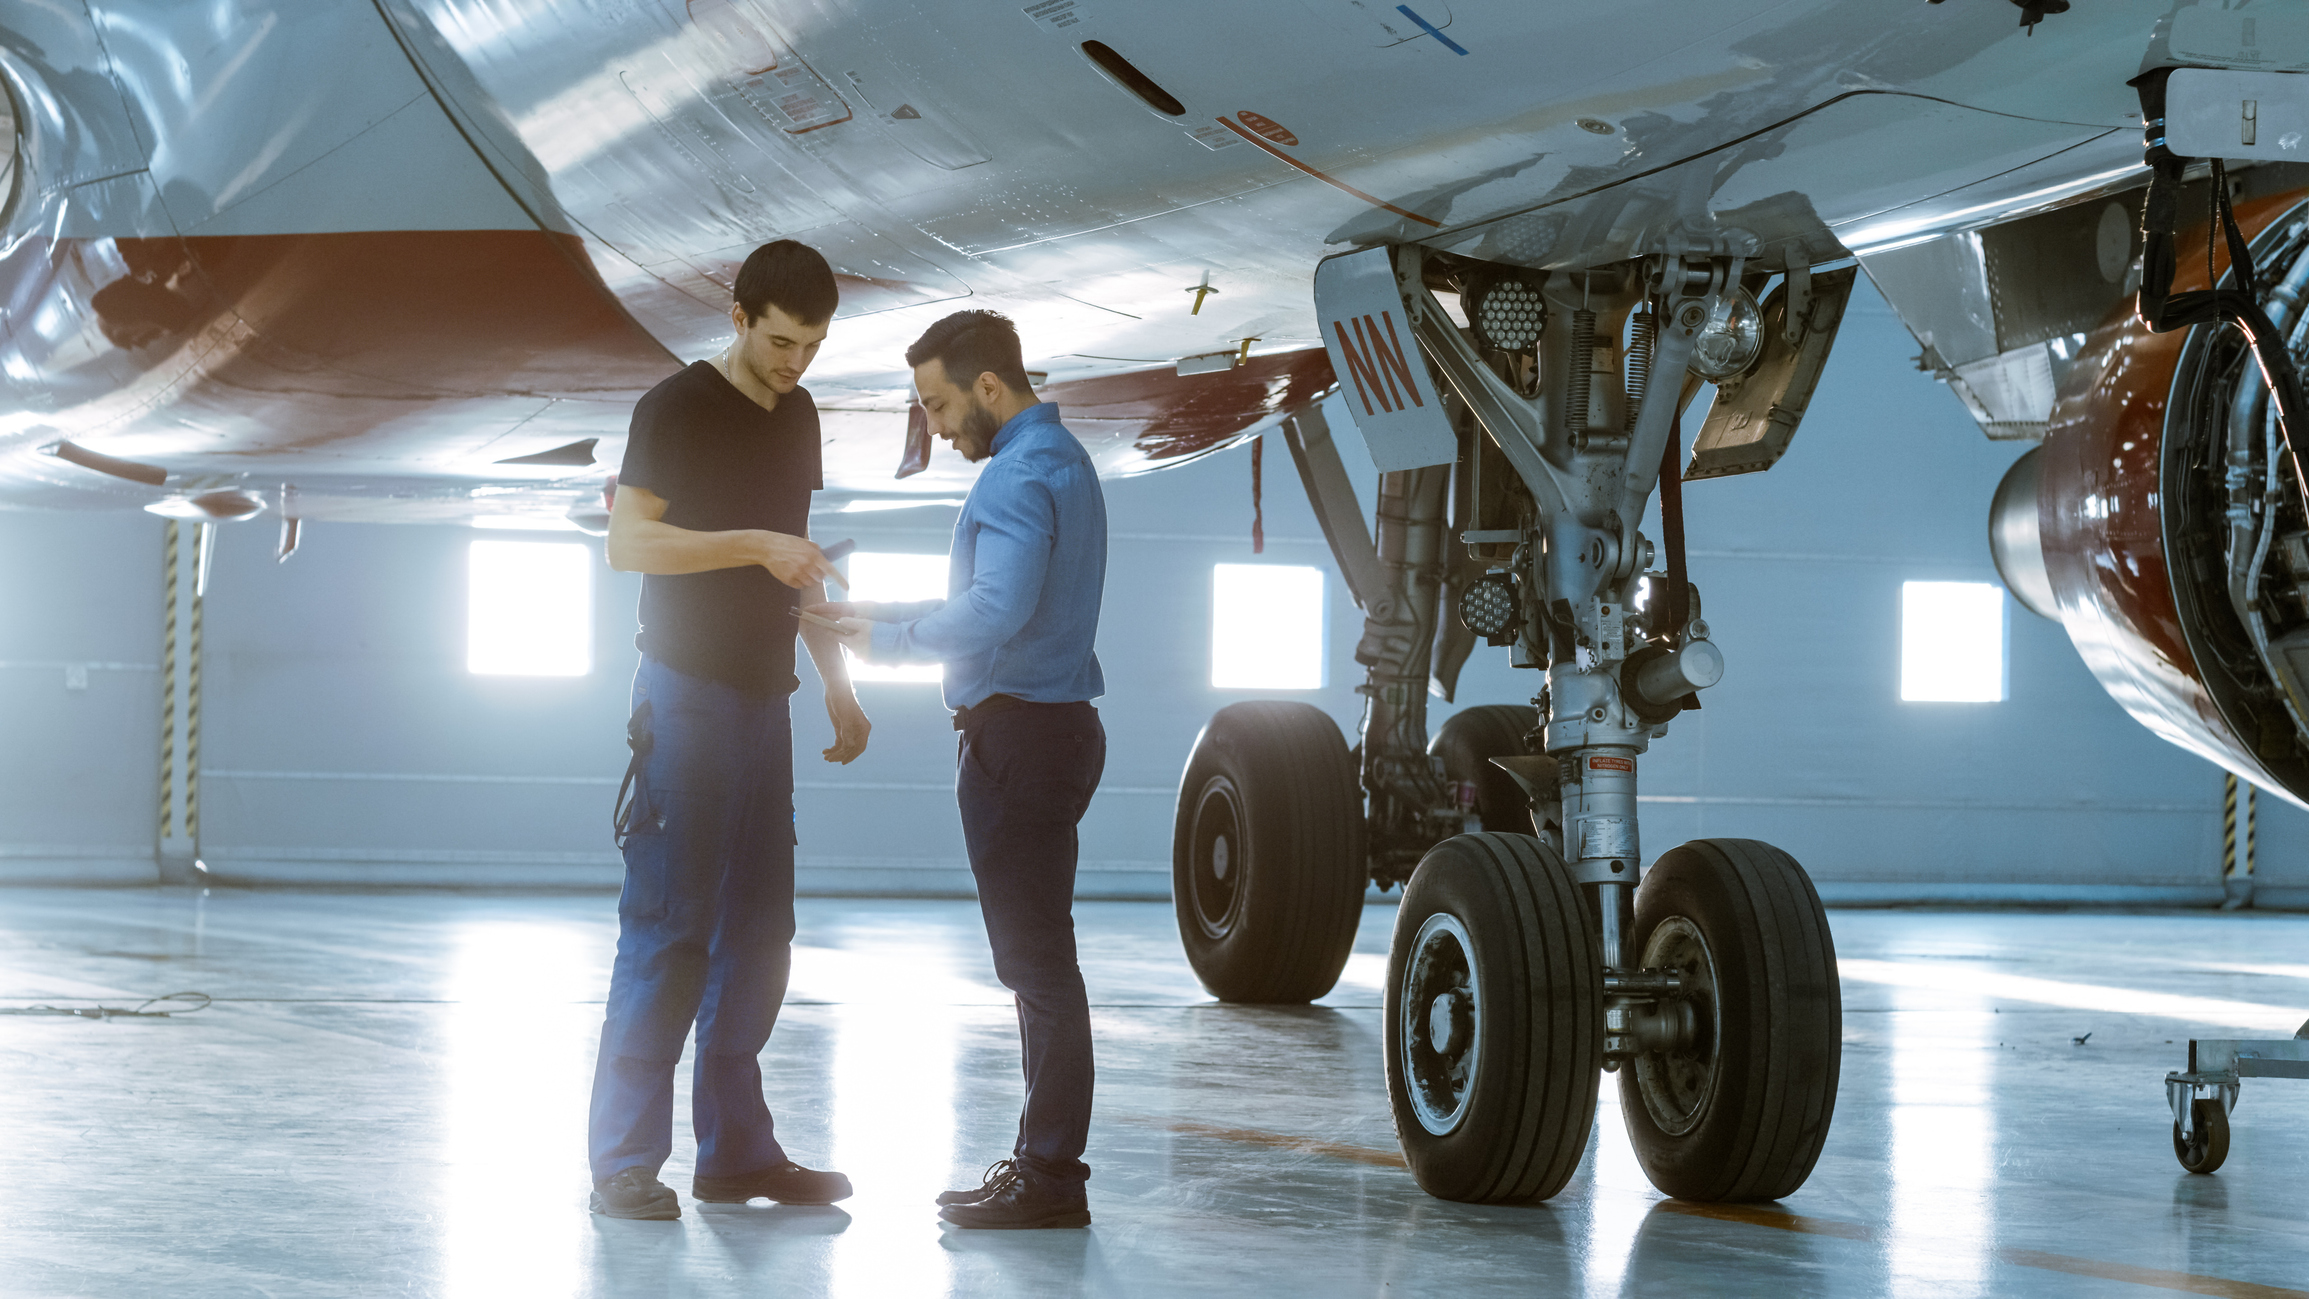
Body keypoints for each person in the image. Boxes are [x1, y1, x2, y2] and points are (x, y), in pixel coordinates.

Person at [586, 240, 870, 1221]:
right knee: (671, 929)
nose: (796, 363)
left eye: (814, 346)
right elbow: (629, 542)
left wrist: (835, 681)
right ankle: (623, 1161)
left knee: (761, 934)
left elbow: (800, 566)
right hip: (685, 695)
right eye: (782, 341)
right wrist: (750, 543)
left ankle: (736, 1153)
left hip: (765, 701)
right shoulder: (673, 409)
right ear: (739, 317)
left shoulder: (797, 416)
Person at [809, 310, 1108, 1230]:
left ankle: (1050, 1175)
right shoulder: (1062, 462)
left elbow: (997, 609)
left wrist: (892, 639)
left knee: (1037, 968)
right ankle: (1041, 1162)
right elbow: (998, 598)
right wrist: (876, 613)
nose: (934, 428)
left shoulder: (1018, 475)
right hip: (1049, 729)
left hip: (1017, 738)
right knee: (1036, 963)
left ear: (987, 387)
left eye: (938, 404)